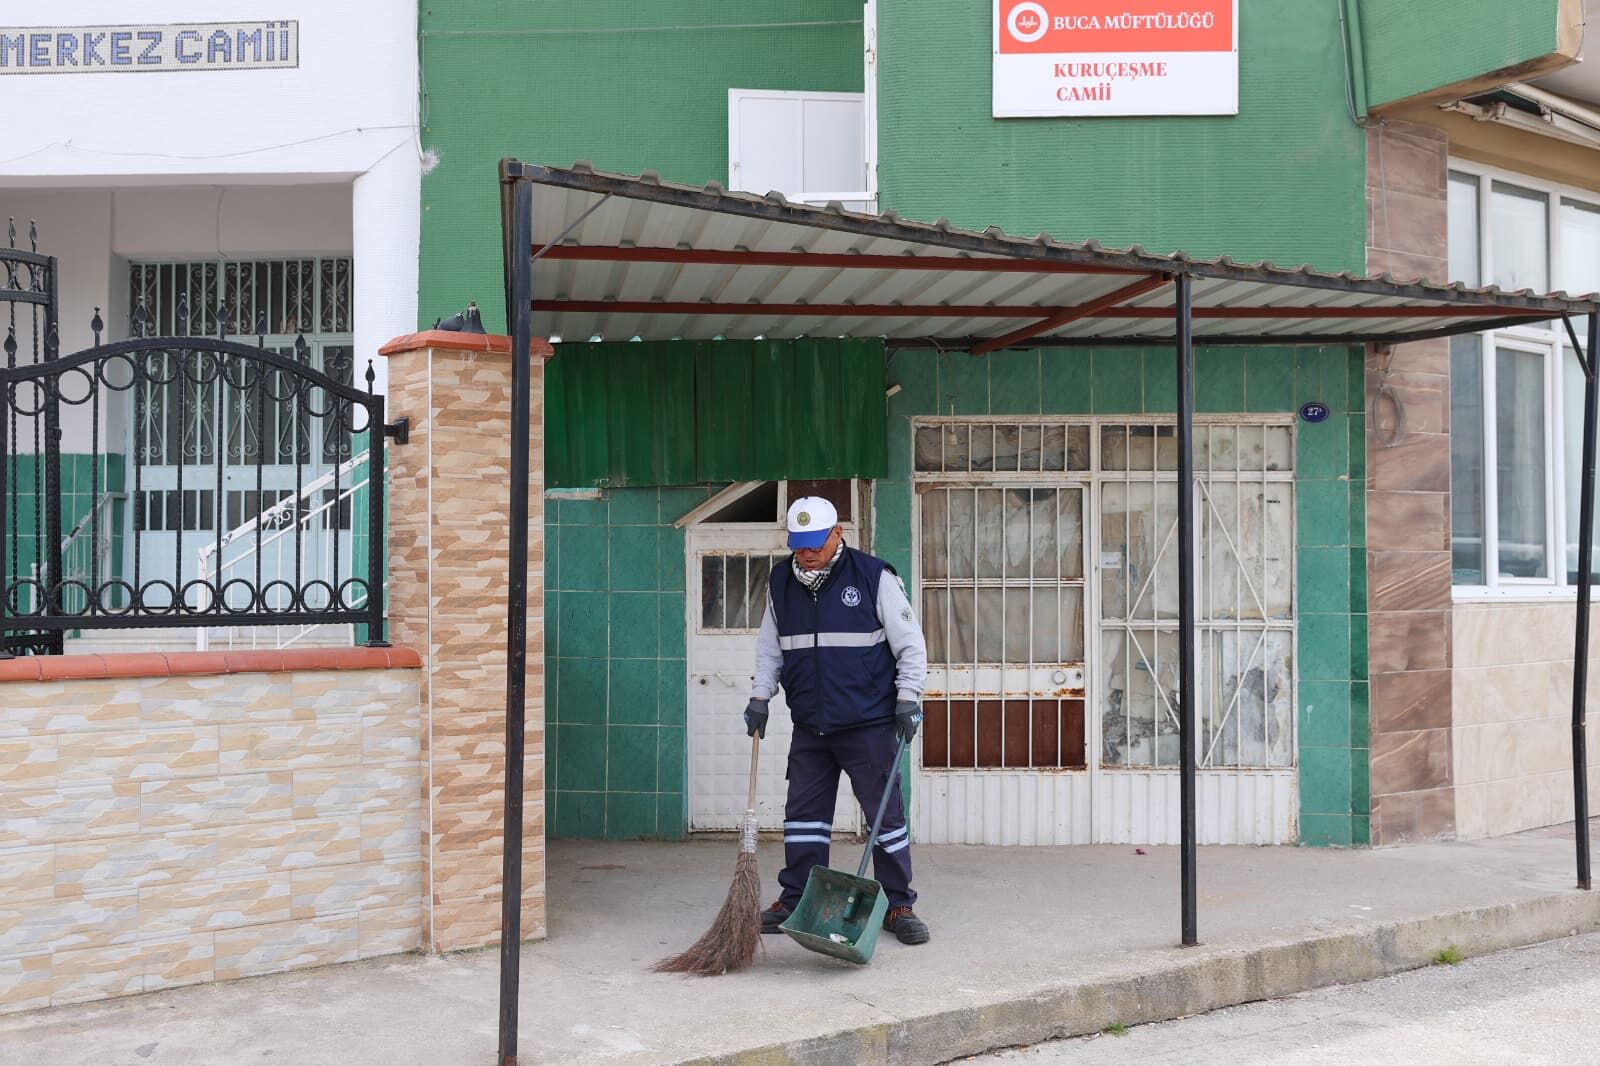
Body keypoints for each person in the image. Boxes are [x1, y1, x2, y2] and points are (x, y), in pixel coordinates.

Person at [743, 495, 930, 945]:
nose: (805, 553)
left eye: (814, 543)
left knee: (885, 817)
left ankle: (898, 904)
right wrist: (760, 696)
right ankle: (796, 899)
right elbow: (771, 648)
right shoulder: (780, 582)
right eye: (798, 544)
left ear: (836, 535)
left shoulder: (872, 576)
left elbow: (911, 645)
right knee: (804, 818)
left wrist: (909, 698)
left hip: (868, 723)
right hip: (811, 724)